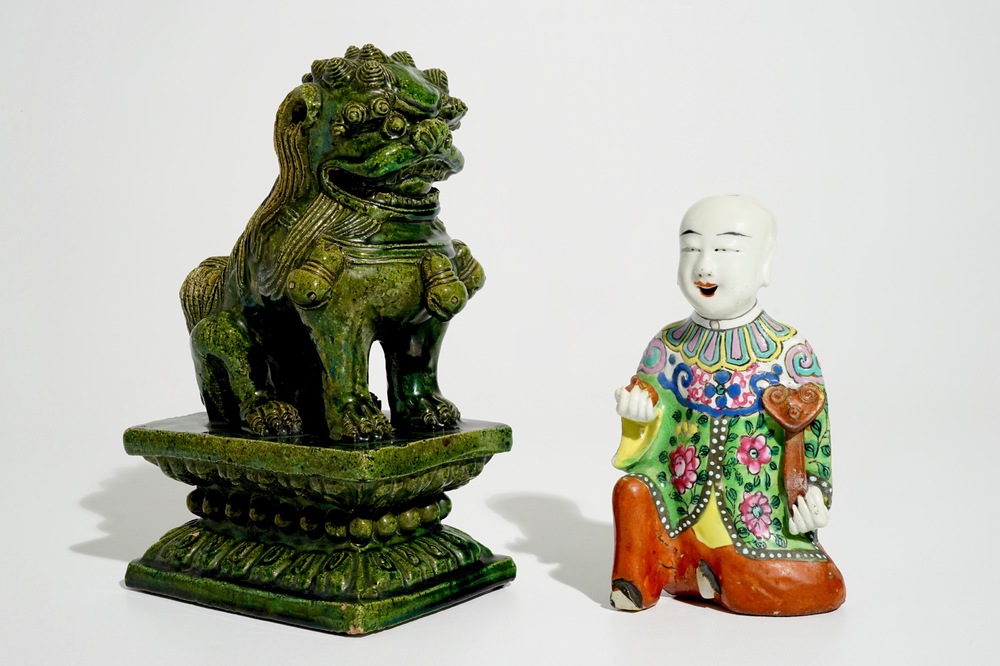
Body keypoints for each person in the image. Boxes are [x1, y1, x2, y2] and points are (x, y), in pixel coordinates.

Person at [610, 195, 845, 616]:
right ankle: (663, 575)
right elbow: (643, 441)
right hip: (678, 516)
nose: (704, 266)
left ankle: (712, 573)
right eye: (691, 248)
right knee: (630, 492)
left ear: (765, 262)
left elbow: (816, 442)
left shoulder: (790, 353)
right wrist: (637, 417)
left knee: (823, 586)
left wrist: (816, 498)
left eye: (725, 250)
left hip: (759, 523)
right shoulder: (667, 347)